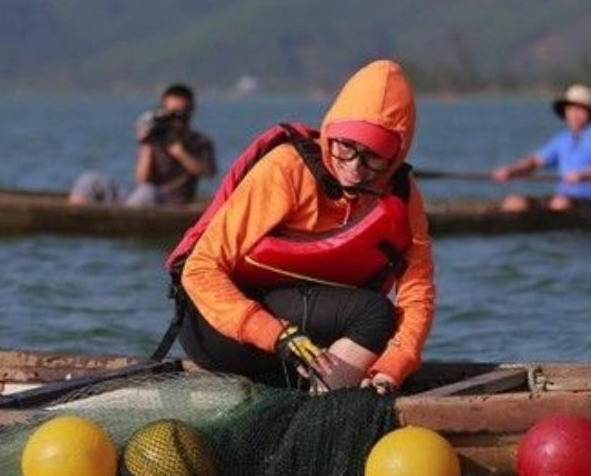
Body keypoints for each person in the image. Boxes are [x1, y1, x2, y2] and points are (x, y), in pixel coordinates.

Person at [165, 60, 435, 395]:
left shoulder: (403, 195)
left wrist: (393, 367)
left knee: (383, 319)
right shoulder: (287, 169)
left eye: (372, 156)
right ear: (331, 132)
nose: (353, 166)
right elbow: (200, 270)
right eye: (346, 147)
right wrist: (275, 334)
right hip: (218, 331)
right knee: (373, 313)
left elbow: (417, 293)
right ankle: (318, 411)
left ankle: (318, 399)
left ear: (396, 154)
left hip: (302, 343)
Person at [68, 83, 217, 207]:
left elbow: (208, 173)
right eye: (172, 113)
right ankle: (75, 221)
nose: (178, 119)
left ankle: (122, 224)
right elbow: (141, 180)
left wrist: (179, 152)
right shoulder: (156, 137)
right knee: (89, 180)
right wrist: (146, 145)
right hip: (139, 196)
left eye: (183, 114)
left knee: (148, 192)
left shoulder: (201, 142)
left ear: (191, 112)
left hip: (171, 202)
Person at [491, 83, 591, 212]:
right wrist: (511, 171)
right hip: (562, 198)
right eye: (571, 109)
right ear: (565, 113)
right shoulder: (563, 139)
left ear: (589, 113)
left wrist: (582, 175)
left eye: (580, 110)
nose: (574, 114)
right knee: (514, 202)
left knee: (560, 204)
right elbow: (535, 161)